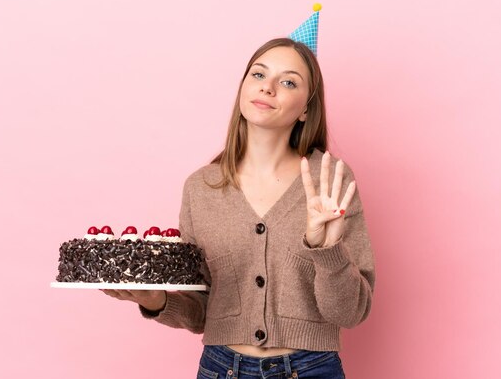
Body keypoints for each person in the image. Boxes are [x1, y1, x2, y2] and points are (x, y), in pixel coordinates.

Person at [102, 35, 376, 378]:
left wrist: (328, 249)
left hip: (310, 370)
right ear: (243, 87)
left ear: (306, 107)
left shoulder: (331, 179)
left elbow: (350, 313)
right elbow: (204, 310)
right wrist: (156, 300)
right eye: (258, 75)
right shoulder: (201, 188)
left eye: (288, 81)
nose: (268, 88)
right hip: (222, 368)